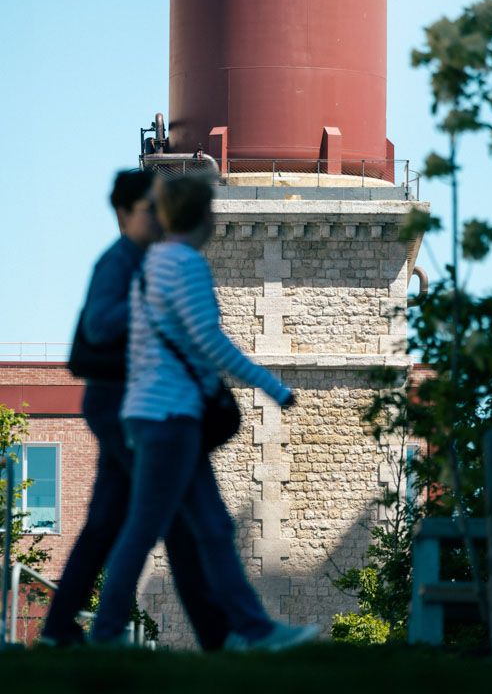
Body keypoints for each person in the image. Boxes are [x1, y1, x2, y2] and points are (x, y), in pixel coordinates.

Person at [92, 174, 319, 651]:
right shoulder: (185, 264)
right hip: (170, 418)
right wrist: (271, 384)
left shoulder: (149, 264)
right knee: (146, 526)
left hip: (152, 414)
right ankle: (108, 631)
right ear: (202, 216)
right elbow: (208, 339)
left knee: (210, 526)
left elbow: (140, 342)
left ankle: (256, 629)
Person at [42, 170, 230, 650]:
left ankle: (59, 630)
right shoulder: (119, 261)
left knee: (106, 519)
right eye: (151, 207)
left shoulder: (148, 260)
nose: (161, 216)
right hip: (118, 406)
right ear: (125, 213)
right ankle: (219, 636)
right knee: (183, 517)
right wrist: (151, 304)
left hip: (133, 405)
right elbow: (100, 327)